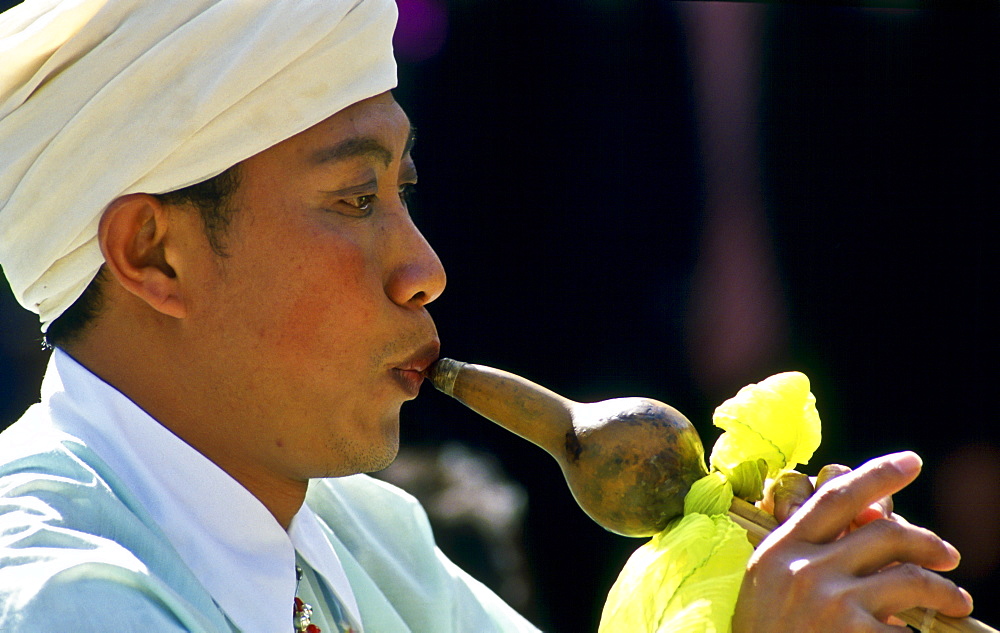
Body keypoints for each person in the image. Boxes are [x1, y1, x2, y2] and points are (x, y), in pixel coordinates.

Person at [0, 1, 975, 632]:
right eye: (354, 200)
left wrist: (749, 595)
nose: (423, 269)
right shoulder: (66, 597)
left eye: (405, 189)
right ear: (151, 254)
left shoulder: (358, 533)